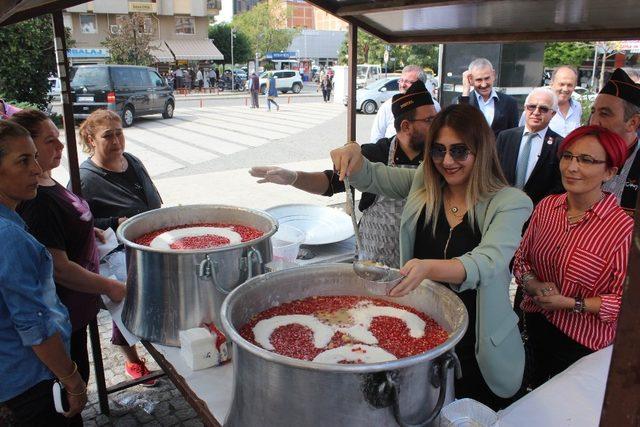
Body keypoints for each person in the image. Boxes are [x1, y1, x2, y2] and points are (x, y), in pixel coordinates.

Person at [330, 104, 533, 409]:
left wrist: (428, 268)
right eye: (438, 151)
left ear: (482, 151)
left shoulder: (510, 202)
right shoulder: (424, 185)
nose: (447, 161)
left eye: (459, 151)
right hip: (423, 331)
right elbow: (371, 176)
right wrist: (352, 152)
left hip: (477, 345)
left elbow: (488, 261)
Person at [250, 81, 437, 268]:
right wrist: (293, 178)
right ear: (405, 126)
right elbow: (331, 182)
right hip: (374, 262)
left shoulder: (438, 158)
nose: (437, 126)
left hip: (420, 266)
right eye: (430, 120)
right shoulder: (375, 154)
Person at [11, 110, 126, 387]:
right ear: (29, 147)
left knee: (79, 368)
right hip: (64, 309)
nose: (61, 146)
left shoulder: (47, 180)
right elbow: (59, 268)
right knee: (72, 381)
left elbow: (67, 222)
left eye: (58, 138)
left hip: (76, 310)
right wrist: (109, 287)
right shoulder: (37, 202)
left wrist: (88, 228)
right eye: (50, 141)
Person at [513, 125, 633, 389]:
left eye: (586, 160)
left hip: (581, 346)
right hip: (534, 326)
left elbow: (624, 303)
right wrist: (533, 285)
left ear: (610, 171)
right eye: (568, 156)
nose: (572, 167)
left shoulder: (623, 230)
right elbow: (522, 259)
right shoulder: (547, 207)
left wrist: (569, 303)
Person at [0, 120, 87, 425]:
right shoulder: (9, 237)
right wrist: (72, 379)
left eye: (34, 157)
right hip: (31, 386)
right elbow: (34, 326)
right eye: (23, 161)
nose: (36, 169)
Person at [74, 109, 161, 385]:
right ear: (91, 139)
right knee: (123, 306)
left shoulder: (132, 161)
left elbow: (153, 200)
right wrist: (114, 221)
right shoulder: (84, 179)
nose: (116, 141)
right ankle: (133, 361)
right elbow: (79, 223)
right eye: (107, 136)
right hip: (115, 256)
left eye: (119, 133)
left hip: (148, 244)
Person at [497, 87, 564, 206]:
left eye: (543, 109)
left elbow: (559, 184)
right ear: (525, 108)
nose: (536, 112)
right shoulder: (506, 137)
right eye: (531, 106)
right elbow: (493, 172)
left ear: (552, 113)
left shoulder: (559, 145)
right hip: (502, 209)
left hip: (538, 214)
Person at [589, 68, 640, 217]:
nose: (594, 122)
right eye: (593, 112)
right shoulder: (579, 155)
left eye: (604, 114)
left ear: (632, 122)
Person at [369, 65, 441, 143]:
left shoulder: (434, 106)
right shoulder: (388, 106)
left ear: (421, 84)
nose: (402, 85)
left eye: (408, 82)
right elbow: (376, 137)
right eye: (401, 80)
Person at [457, 58, 519, 137]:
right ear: (470, 80)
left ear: (493, 75)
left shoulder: (510, 103)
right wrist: (466, 91)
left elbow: (513, 135)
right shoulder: (462, 102)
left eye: (487, 78)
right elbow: (458, 129)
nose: (484, 84)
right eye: (479, 80)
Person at [518, 66, 582, 137]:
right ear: (552, 83)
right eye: (562, 84)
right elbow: (523, 134)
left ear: (575, 86)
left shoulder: (577, 107)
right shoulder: (535, 107)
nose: (565, 89)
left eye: (570, 85)